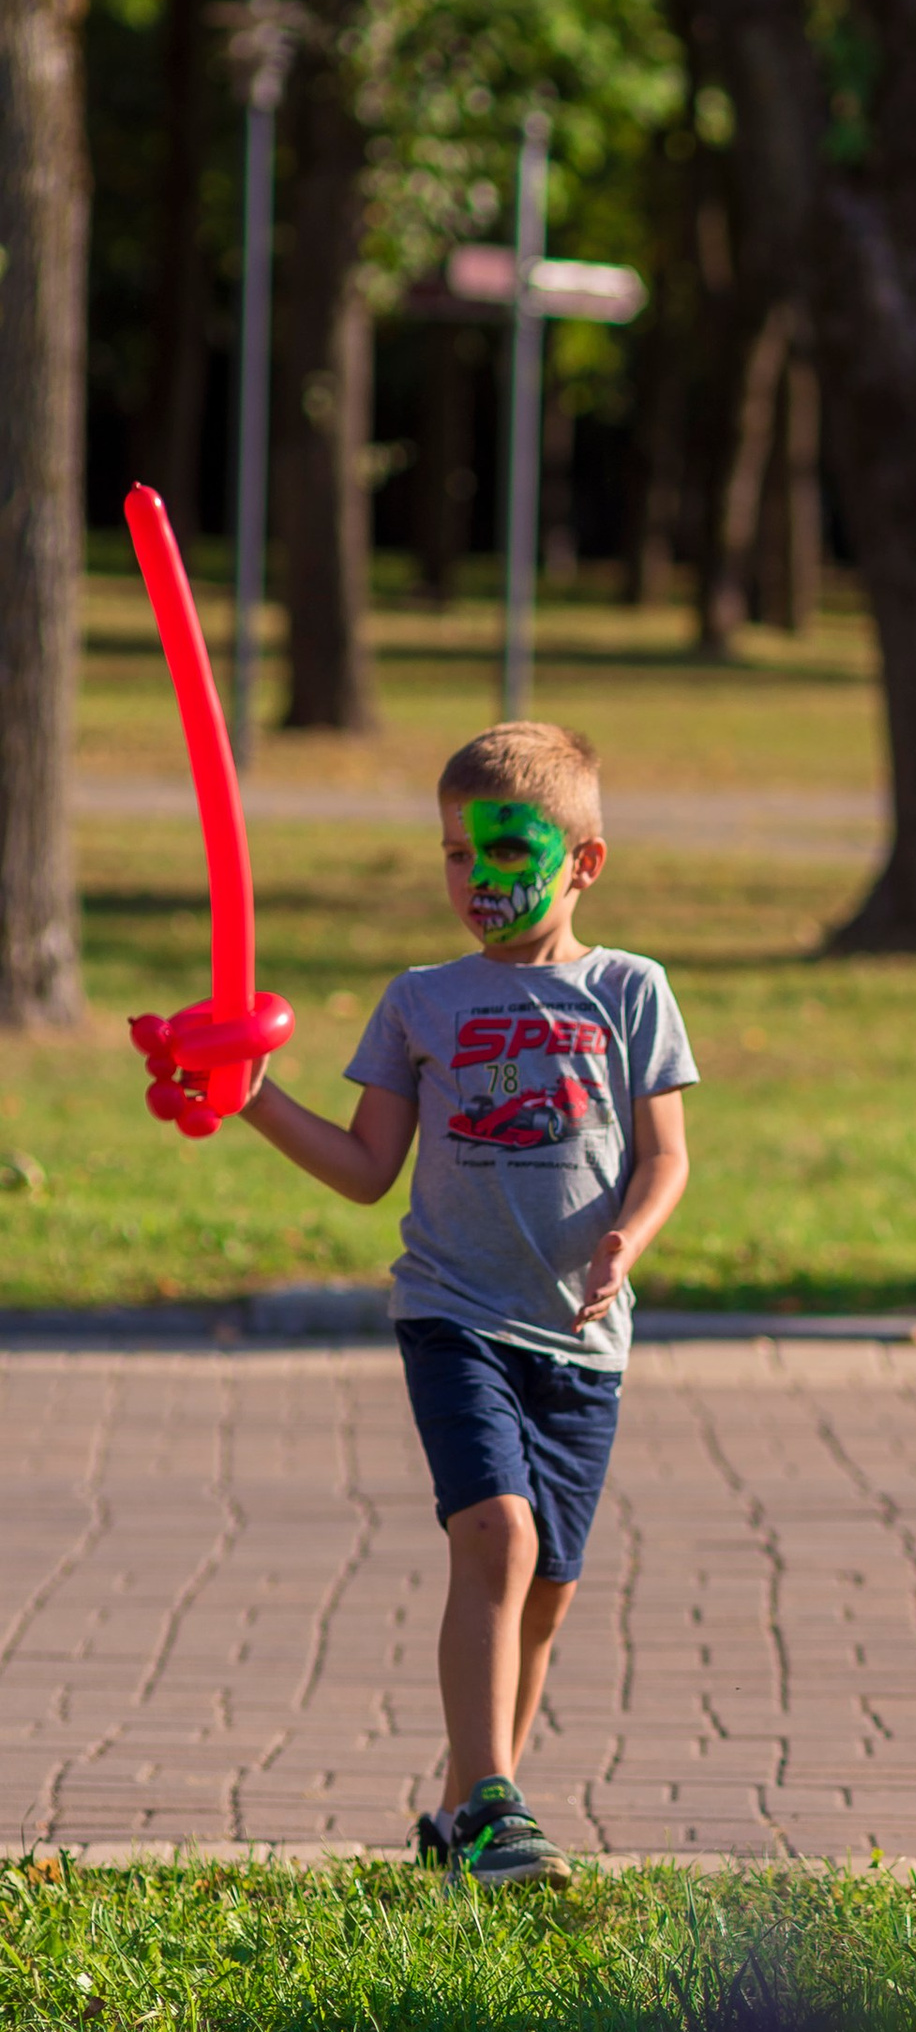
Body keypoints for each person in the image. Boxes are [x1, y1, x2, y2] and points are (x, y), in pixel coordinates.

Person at [237, 722, 695, 1887]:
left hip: (582, 1340)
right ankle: (497, 1805)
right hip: (454, 1315)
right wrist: (252, 1098)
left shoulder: (630, 990)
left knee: (545, 1592)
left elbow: (664, 1157)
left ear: (584, 863)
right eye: (453, 853)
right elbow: (364, 1168)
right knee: (497, 1532)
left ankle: (459, 1821)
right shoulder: (421, 1001)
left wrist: (628, 1241)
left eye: (503, 852)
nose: (475, 880)